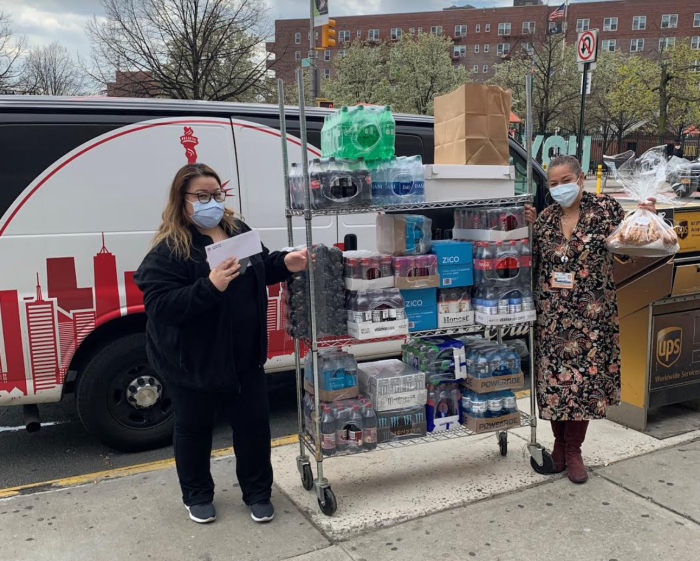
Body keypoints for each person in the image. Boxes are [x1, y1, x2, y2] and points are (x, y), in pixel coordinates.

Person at [135, 163, 307, 524]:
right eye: (201, 196)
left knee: (253, 427)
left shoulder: (236, 232)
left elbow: (261, 266)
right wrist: (210, 286)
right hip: (192, 361)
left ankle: (258, 492)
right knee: (194, 429)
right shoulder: (170, 250)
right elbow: (161, 307)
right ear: (182, 200)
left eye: (216, 194)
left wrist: (285, 263)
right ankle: (197, 494)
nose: (211, 202)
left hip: (244, 356)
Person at [524, 155, 655, 484]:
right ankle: (558, 446)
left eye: (566, 180)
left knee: (582, 386)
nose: (560, 188)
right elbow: (534, 263)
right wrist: (527, 228)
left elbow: (627, 250)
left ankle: (573, 451)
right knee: (555, 385)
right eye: (553, 183)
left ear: (581, 178)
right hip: (552, 318)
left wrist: (645, 219)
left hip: (592, 318)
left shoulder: (606, 209)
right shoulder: (545, 219)